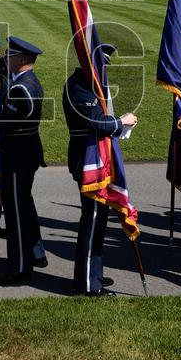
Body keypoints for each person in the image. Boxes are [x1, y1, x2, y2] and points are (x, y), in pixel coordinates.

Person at [62, 43, 137, 297]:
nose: (103, 70)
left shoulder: (90, 85)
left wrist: (121, 125)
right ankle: (86, 283)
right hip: (87, 161)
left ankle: (94, 272)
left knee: (99, 220)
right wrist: (121, 121)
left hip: (97, 160)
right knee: (92, 220)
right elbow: (97, 122)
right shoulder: (79, 87)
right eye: (100, 64)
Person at [0, 36, 47, 284]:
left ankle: (19, 268)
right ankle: (36, 252)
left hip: (18, 155)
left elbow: (9, 121)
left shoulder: (21, 88)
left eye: (10, 55)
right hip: (25, 152)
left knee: (16, 212)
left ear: (22, 59)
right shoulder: (28, 83)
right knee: (25, 205)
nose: (6, 59)